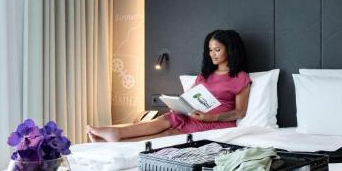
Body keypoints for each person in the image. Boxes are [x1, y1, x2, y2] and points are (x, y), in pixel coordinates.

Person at [87, 29, 252, 143]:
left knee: (170, 133)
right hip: (194, 115)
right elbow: (192, 97)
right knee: (162, 120)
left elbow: (240, 112)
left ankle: (120, 142)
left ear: (229, 50)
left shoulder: (240, 77)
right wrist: (182, 105)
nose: (212, 54)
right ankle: (116, 133)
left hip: (215, 123)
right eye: (209, 50)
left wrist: (210, 117)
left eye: (216, 50)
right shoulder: (205, 75)